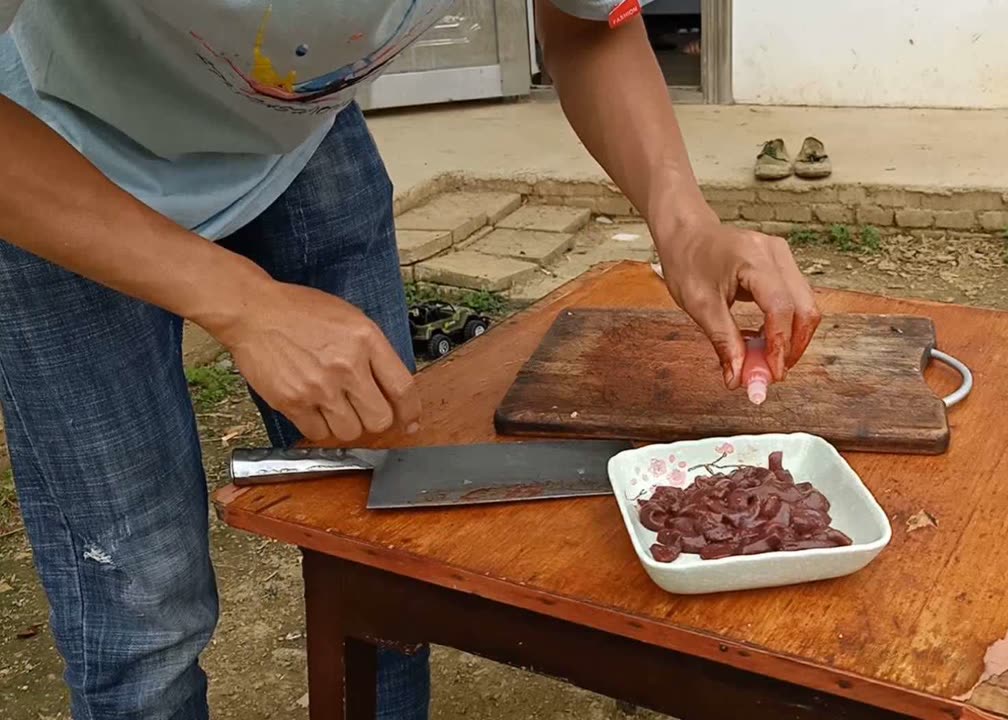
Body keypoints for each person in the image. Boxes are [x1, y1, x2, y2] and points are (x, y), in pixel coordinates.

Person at [0, 1, 821, 718]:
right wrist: (239, 300)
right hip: (52, 153)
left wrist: (683, 224)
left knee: (386, 535)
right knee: (142, 602)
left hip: (295, 134)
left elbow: (590, 23)